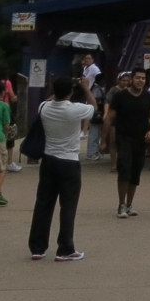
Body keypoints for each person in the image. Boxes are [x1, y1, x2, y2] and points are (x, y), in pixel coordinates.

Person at [27, 75, 93, 262]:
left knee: (43, 204)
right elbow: (93, 106)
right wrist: (86, 87)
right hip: (69, 161)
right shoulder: (75, 109)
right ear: (71, 92)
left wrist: (55, 93)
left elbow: (49, 100)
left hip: (48, 160)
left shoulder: (44, 107)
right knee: (68, 206)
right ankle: (65, 248)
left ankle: (37, 247)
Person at [108, 69, 150, 218]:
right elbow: (109, 117)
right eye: (137, 78)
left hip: (141, 140)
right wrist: (104, 140)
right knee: (125, 169)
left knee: (136, 171)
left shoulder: (148, 96)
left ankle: (129, 205)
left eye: (143, 78)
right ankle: (121, 205)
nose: (140, 81)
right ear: (131, 79)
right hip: (124, 138)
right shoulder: (120, 96)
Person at [0, 75, 24, 170]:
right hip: (6, 111)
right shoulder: (7, 82)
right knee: (10, 136)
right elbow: (12, 97)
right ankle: (9, 163)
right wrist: (16, 97)